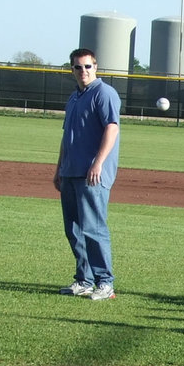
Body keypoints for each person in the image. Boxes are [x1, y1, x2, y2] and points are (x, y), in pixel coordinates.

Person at [54, 48, 120, 301]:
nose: (83, 71)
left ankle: (105, 283)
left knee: (93, 229)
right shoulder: (74, 98)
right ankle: (84, 280)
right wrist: (59, 167)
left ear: (96, 67)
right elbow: (65, 137)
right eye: (78, 67)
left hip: (92, 174)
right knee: (73, 230)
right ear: (71, 70)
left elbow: (111, 129)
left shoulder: (104, 93)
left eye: (88, 66)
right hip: (70, 171)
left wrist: (98, 163)